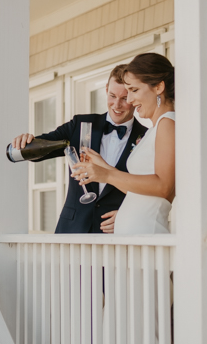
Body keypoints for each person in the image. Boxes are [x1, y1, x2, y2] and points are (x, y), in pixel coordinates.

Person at [9, 65, 147, 233]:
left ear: (134, 97)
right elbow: (42, 148)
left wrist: (127, 215)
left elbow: (151, 190)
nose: (116, 104)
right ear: (106, 89)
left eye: (124, 98)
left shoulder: (147, 138)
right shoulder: (80, 124)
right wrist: (25, 141)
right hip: (71, 230)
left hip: (114, 232)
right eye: (112, 96)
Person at [71, 52, 175, 234]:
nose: (130, 100)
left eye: (134, 91)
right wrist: (105, 168)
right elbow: (142, 189)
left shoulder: (167, 123)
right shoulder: (155, 128)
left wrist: (107, 175)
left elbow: (164, 187)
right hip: (135, 238)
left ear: (159, 87)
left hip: (148, 235)